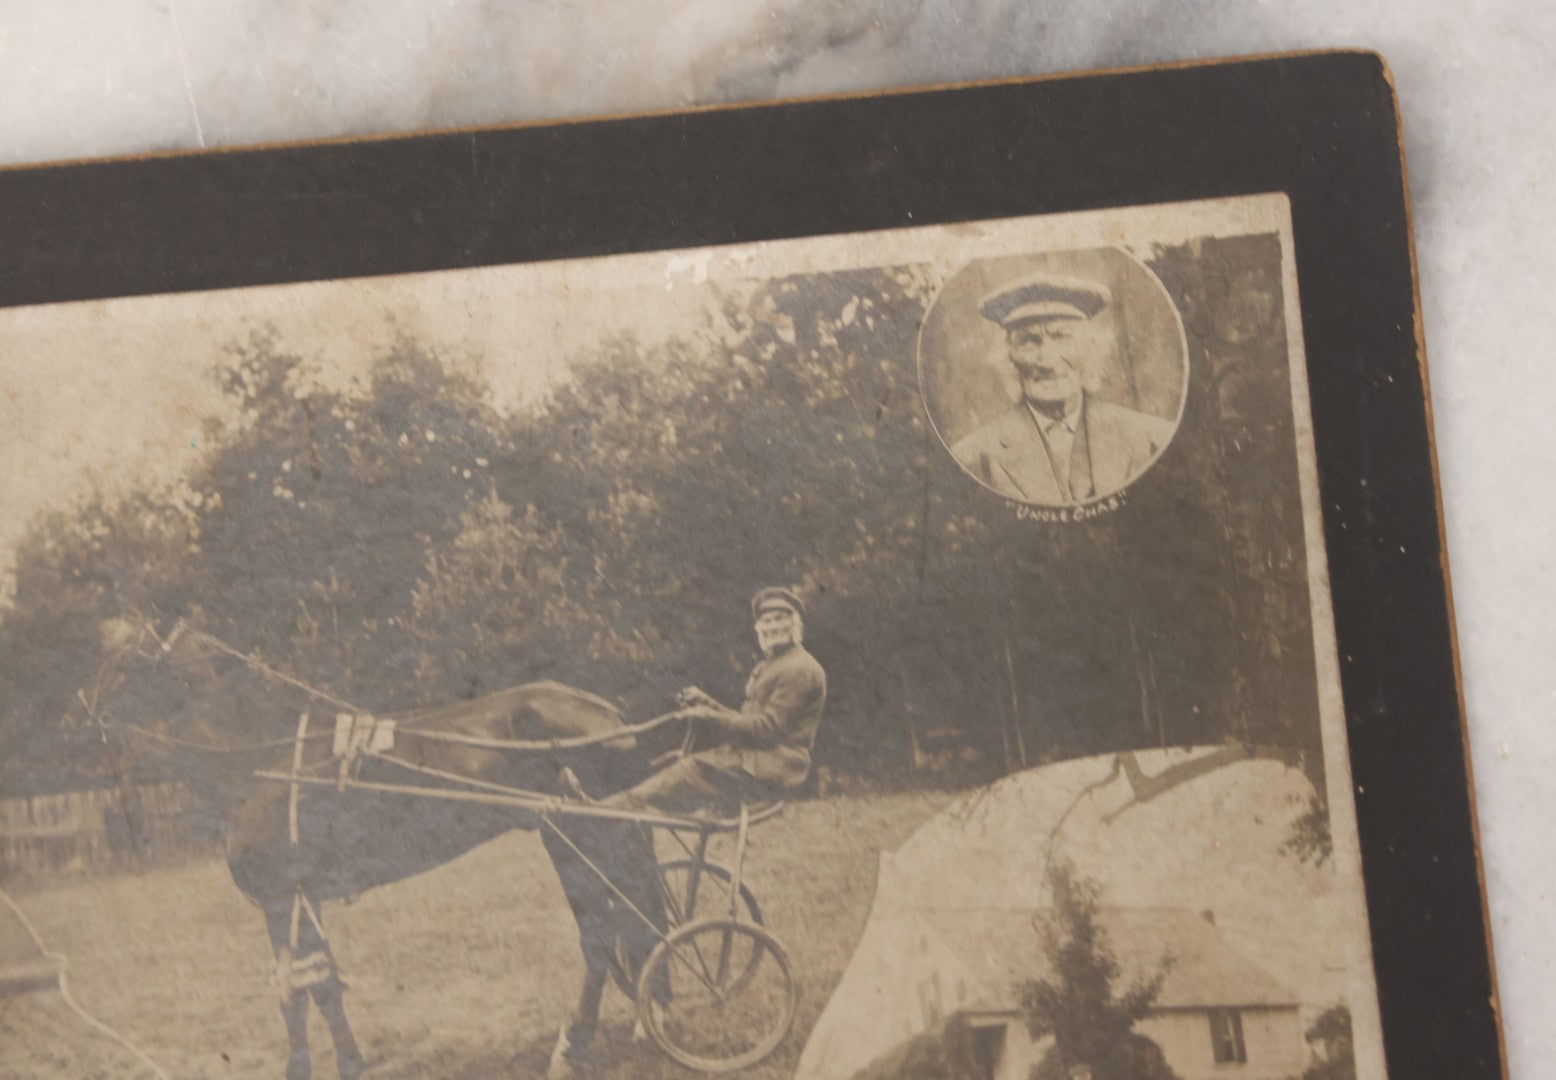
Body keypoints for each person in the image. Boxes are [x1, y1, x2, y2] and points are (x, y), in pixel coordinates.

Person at [561, 586, 826, 817]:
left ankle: (598, 812)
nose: (772, 627)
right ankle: (610, 806)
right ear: (759, 629)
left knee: (687, 768)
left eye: (780, 619)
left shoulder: (799, 669)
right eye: (766, 622)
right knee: (670, 761)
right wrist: (707, 703)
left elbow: (768, 729)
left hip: (773, 767)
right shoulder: (772, 664)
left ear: (795, 625)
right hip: (753, 759)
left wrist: (711, 717)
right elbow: (748, 720)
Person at [948, 271, 1176, 505]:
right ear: (1009, 357)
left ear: (1090, 349)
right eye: (1028, 341)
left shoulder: (1154, 439)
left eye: (1062, 337)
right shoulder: (971, 456)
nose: (1047, 360)